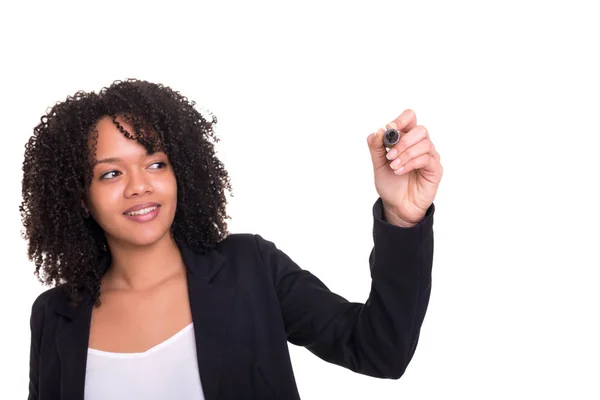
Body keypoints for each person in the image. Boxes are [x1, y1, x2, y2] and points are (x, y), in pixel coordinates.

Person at [21, 79, 443, 400]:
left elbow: (380, 351)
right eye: (110, 173)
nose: (139, 187)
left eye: (156, 164)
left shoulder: (249, 268)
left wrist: (403, 219)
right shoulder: (55, 317)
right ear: (79, 197)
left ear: (180, 171)